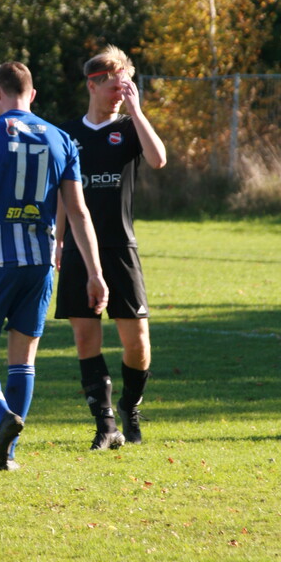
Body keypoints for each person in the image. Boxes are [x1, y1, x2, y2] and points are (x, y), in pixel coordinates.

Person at [0, 61, 108, 473]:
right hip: (40, 263)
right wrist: (95, 273)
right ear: (33, 95)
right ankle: (8, 455)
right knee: (23, 360)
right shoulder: (62, 138)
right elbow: (78, 212)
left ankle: (2, 417)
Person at [55, 45, 167, 450]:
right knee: (86, 340)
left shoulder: (130, 128)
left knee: (137, 343)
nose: (122, 94)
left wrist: (136, 112)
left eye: (127, 87)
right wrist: (57, 238)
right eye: (116, 88)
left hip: (121, 248)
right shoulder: (67, 134)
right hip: (79, 251)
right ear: (93, 85)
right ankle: (105, 425)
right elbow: (62, 194)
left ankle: (130, 407)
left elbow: (158, 159)